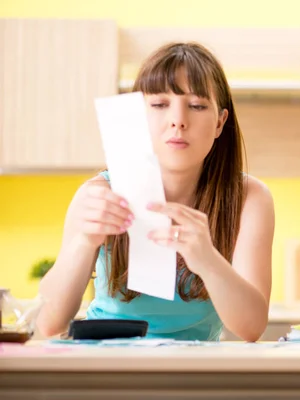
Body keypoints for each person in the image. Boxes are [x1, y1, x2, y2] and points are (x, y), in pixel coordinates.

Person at [36, 42, 275, 342]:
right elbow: (48, 323)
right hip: (103, 367)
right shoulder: (99, 194)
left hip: (194, 373)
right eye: (160, 105)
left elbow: (251, 328)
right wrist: (84, 242)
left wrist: (209, 261)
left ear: (219, 122)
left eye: (198, 105)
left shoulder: (249, 199)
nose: (178, 120)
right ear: (138, 117)